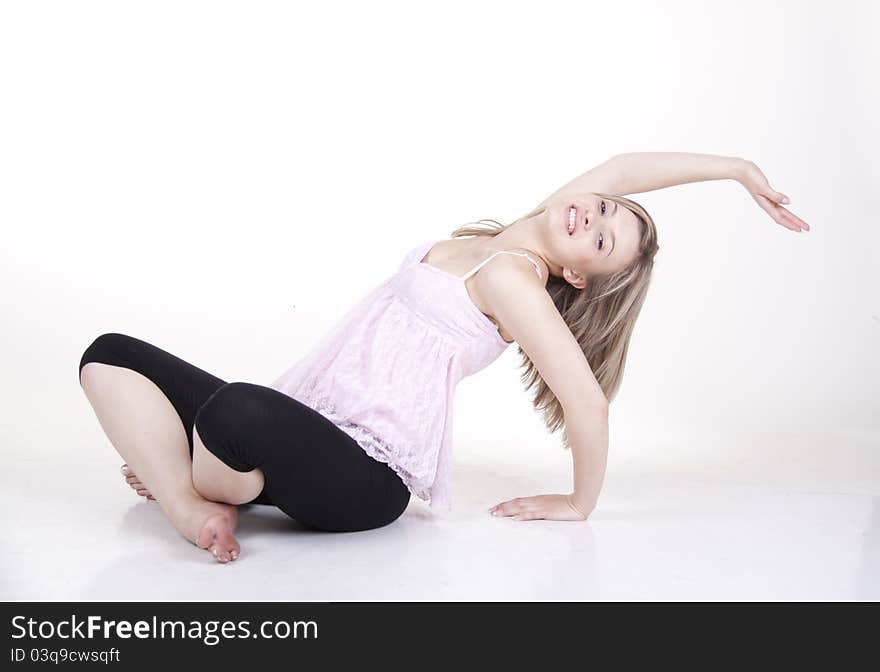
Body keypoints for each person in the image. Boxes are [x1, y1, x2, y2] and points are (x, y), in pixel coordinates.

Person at [77, 152, 810, 563]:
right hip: (310, 422)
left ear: (578, 276)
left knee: (232, 410)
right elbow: (620, 169)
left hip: (367, 477)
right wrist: (735, 169)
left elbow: (586, 401)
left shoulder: (514, 281)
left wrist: (579, 502)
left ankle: (196, 494)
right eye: (607, 211)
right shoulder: (512, 238)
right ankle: (196, 491)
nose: (597, 215)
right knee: (109, 355)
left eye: (601, 239)